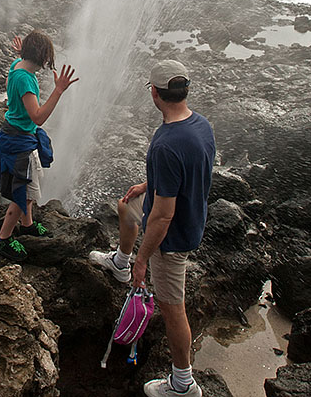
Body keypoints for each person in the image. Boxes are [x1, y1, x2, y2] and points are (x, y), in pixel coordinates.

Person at [89, 59, 214, 397]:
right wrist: (149, 184)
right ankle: (119, 262)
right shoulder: (200, 126)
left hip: (173, 238)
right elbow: (185, 172)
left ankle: (183, 383)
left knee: (173, 309)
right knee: (126, 206)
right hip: (189, 214)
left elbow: (162, 217)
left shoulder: (165, 144)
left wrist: (143, 259)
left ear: (155, 94)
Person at [0, 31, 78, 262]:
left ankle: (27, 225)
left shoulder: (18, 65)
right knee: (23, 192)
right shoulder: (26, 80)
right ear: (42, 57)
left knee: (27, 186)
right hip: (19, 142)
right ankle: (3, 238)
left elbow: (21, 61)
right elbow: (37, 117)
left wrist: (21, 52)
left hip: (14, 135)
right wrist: (58, 91)